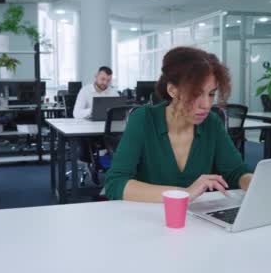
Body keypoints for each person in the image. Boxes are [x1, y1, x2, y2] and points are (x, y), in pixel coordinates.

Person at [105, 47, 253, 202]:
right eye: (196, 94)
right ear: (172, 90)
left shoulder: (211, 123)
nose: (207, 105)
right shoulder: (143, 119)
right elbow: (115, 184)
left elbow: (236, 172)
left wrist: (254, 182)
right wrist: (184, 194)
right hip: (149, 218)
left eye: (211, 94)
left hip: (199, 220)